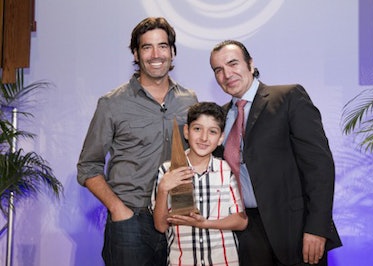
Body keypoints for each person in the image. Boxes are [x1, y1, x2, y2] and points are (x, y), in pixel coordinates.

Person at [76, 17, 198, 266]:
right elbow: (88, 167)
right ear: (135, 53)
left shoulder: (189, 100)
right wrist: (119, 210)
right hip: (130, 222)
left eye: (163, 46)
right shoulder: (112, 103)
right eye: (147, 47)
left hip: (178, 220)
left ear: (173, 52)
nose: (156, 54)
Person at [209, 40, 342, 266]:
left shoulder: (289, 97)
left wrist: (317, 228)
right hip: (245, 233)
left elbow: (319, 166)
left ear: (250, 64)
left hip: (295, 231)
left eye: (233, 63)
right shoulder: (219, 117)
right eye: (218, 70)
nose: (226, 74)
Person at [152, 102, 248, 266]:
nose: (204, 138)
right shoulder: (168, 170)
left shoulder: (226, 169)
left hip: (223, 261)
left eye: (212, 132)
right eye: (197, 129)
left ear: (220, 138)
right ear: (186, 132)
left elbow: (241, 221)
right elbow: (161, 226)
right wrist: (163, 189)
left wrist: (205, 223)